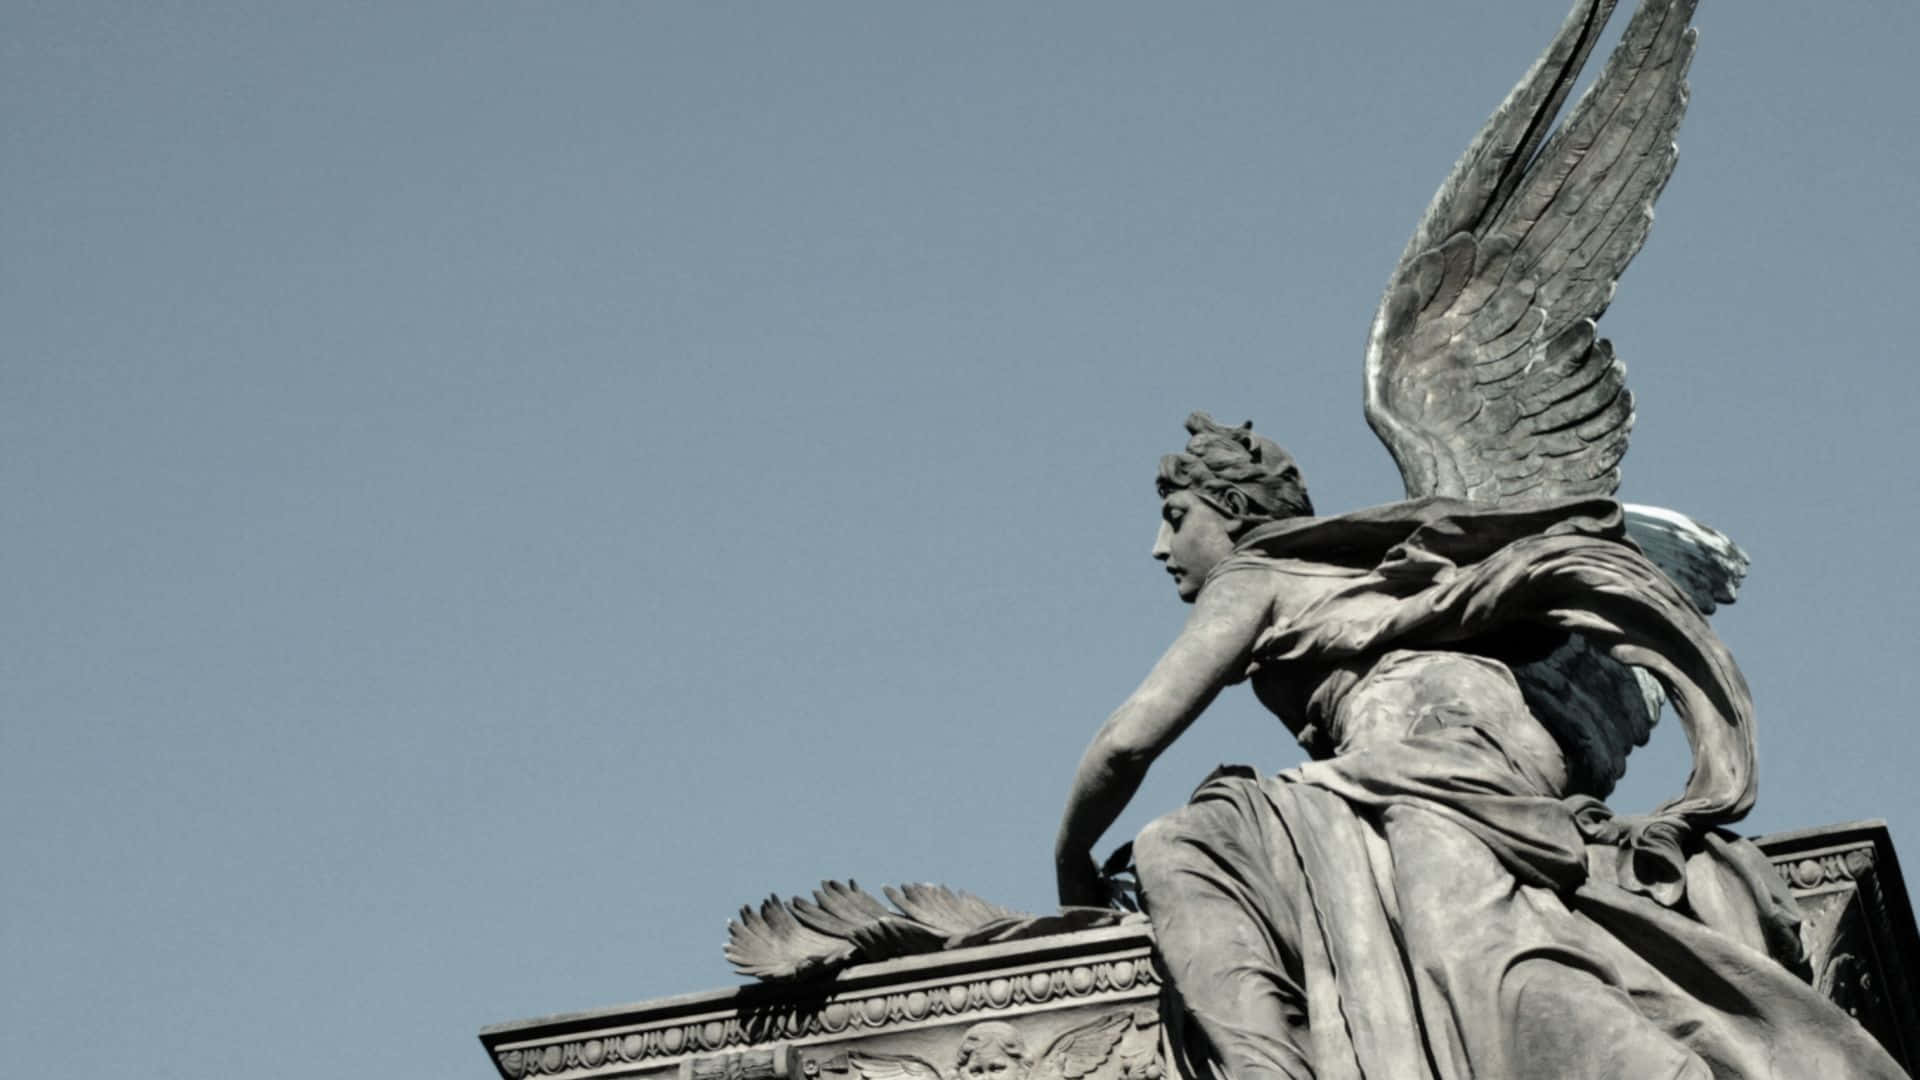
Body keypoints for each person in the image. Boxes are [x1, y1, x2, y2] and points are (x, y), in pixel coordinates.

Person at [1053, 413, 1906, 1079]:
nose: (1162, 547)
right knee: (1474, 929)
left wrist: (1072, 857)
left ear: (1232, 516)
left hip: (1422, 746)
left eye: (1177, 518)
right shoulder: (1363, 571)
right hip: (1497, 738)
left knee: (1453, 946)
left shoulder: (1254, 575)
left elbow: (1128, 744)